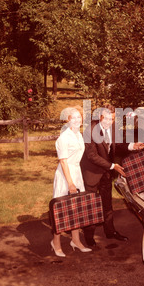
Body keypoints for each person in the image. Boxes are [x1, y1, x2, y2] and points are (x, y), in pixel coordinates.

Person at [80, 104, 144, 247]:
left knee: (107, 203)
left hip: (106, 172)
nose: (111, 122)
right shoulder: (89, 130)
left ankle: (110, 232)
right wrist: (112, 166)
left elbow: (118, 145)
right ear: (101, 117)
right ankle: (89, 237)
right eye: (109, 119)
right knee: (90, 205)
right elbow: (92, 156)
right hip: (91, 172)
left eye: (113, 119)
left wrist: (132, 146)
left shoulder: (114, 127)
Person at [51, 107, 92, 257]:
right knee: (61, 211)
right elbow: (63, 162)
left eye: (79, 117)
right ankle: (56, 243)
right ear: (67, 121)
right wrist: (70, 183)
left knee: (77, 209)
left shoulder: (79, 136)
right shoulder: (63, 138)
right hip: (65, 175)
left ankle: (76, 240)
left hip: (77, 173)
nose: (77, 120)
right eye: (73, 118)